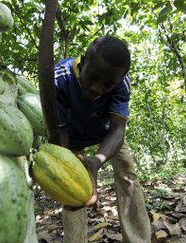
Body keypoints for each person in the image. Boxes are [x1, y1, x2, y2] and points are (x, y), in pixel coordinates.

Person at [54, 36, 152, 243]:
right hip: (71, 137)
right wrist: (69, 168)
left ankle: (138, 239)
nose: (97, 89)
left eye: (108, 84)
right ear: (84, 61)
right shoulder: (59, 78)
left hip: (105, 134)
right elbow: (60, 132)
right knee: (71, 187)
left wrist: (95, 163)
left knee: (127, 172)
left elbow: (118, 130)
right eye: (92, 78)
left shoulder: (121, 82)